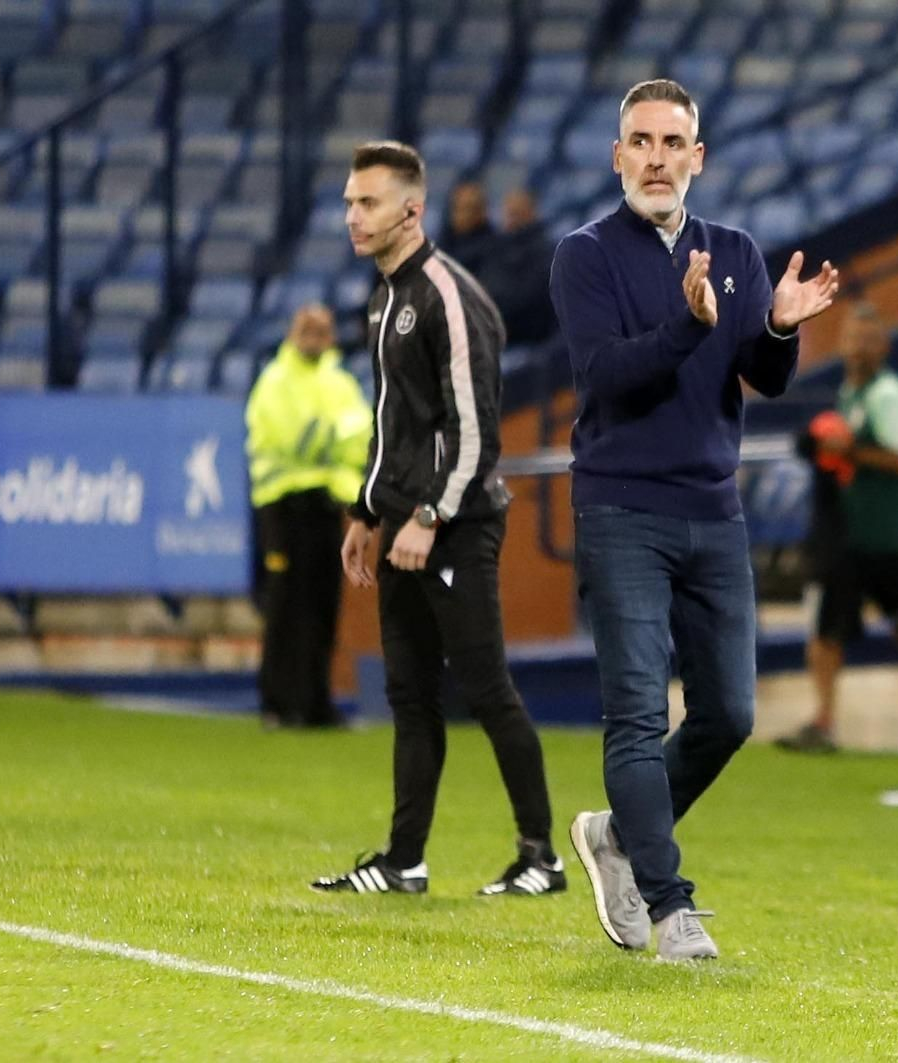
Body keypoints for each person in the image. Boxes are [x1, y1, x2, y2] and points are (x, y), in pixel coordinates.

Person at [549, 80, 839, 960]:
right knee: (635, 712)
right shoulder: (585, 255)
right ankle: (669, 903)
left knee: (729, 714)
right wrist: (688, 323)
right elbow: (607, 376)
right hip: (620, 507)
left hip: (714, 511)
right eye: (640, 141)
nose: (656, 158)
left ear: (698, 157)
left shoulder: (739, 252)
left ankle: (615, 835)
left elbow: (767, 376)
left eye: (673, 143)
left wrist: (780, 329)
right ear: (617, 156)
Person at [311, 141, 564, 899]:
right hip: (403, 523)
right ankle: (404, 860)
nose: (352, 216)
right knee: (411, 695)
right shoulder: (383, 294)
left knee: (486, 688)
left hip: (456, 523)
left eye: (368, 203)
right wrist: (366, 507)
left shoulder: (448, 295)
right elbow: (397, 422)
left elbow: (478, 429)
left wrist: (427, 514)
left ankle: (541, 857)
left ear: (411, 211)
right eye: (351, 202)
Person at [778, 303, 898, 755]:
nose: (858, 348)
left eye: (868, 340)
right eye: (852, 338)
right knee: (826, 629)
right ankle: (823, 722)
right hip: (848, 535)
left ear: (883, 347)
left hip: (888, 535)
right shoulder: (851, 392)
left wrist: (849, 452)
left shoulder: (887, 394)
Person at [246, 302, 372, 730]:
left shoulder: (339, 382)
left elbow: (361, 439)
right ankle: (276, 704)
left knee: (322, 605)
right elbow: (294, 439)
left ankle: (316, 702)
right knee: (284, 603)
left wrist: (331, 438)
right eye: (308, 331)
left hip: (326, 506)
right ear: (293, 334)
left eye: (323, 331)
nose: (315, 339)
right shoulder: (275, 381)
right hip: (282, 505)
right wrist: (333, 436)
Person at [482, 188, 559, 347]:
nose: (511, 219)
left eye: (517, 213)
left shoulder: (545, 252)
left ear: (532, 213)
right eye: (509, 213)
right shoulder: (496, 248)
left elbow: (529, 299)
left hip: (527, 339)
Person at [436, 179, 497, 281]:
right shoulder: (444, 240)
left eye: (467, 209)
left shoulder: (492, 247)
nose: (459, 215)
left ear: (481, 212)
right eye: (456, 208)